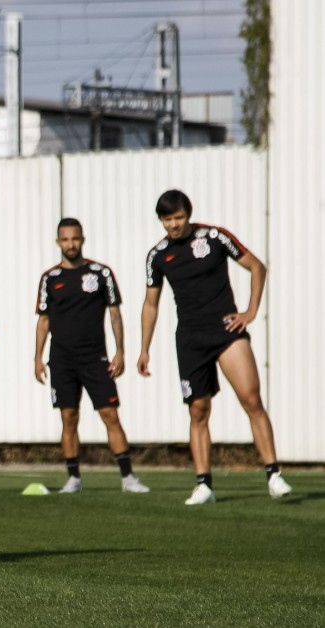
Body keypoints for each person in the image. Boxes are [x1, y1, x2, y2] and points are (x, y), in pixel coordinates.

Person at [137, 189, 292, 505]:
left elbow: (257, 267)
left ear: (188, 215)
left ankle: (274, 474)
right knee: (198, 410)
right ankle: (204, 484)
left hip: (226, 332)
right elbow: (151, 304)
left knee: (250, 398)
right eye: (167, 220)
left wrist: (250, 311)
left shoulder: (215, 237)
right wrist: (144, 348)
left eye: (178, 218)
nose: (173, 225)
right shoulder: (158, 254)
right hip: (191, 340)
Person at [34, 218, 150, 494]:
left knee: (110, 414)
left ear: (82, 239)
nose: (70, 244)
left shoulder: (101, 274)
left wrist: (120, 351)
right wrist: (37, 357)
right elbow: (43, 321)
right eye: (65, 239)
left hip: (94, 359)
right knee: (69, 417)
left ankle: (128, 478)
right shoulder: (49, 279)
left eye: (75, 239)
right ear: (58, 242)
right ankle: (73, 478)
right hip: (61, 360)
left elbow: (115, 314)